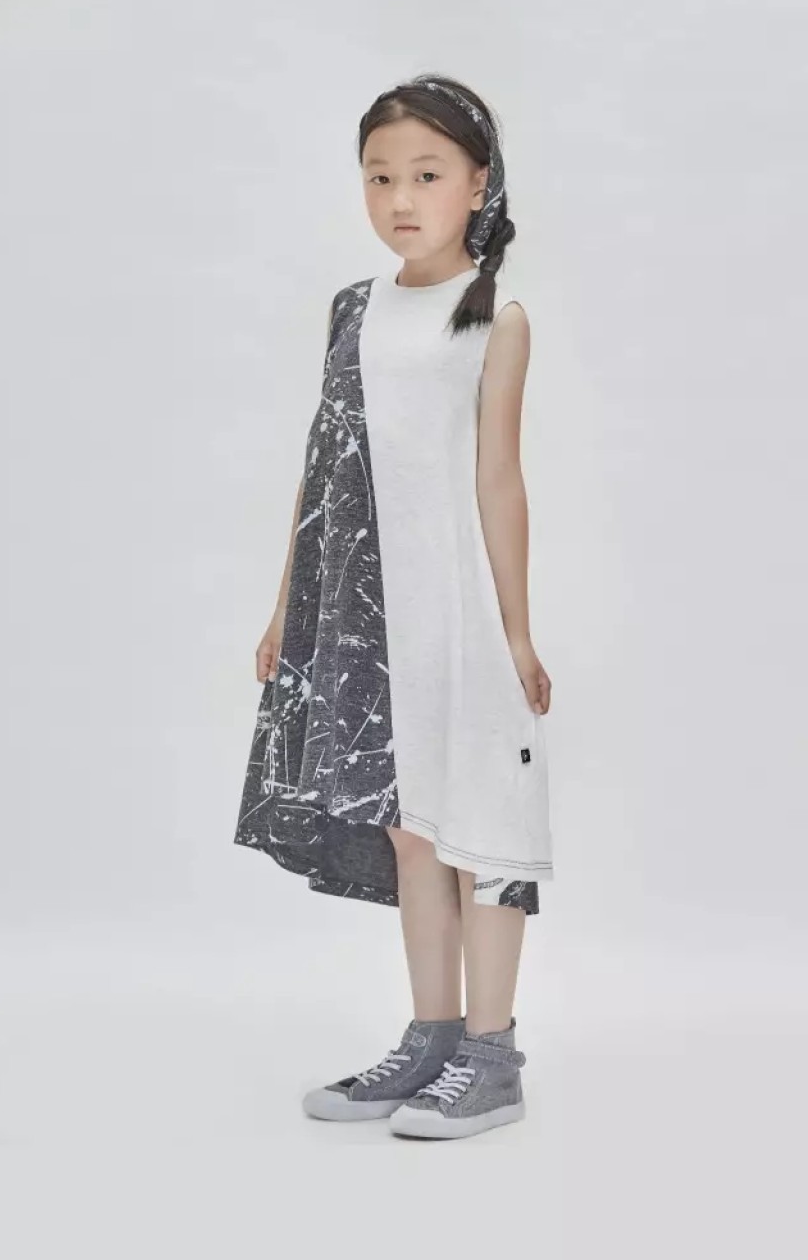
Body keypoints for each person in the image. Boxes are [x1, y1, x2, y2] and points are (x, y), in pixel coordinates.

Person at [234, 73, 554, 1140]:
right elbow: (322, 470)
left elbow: (498, 479)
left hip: (460, 609)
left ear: (478, 184)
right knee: (415, 834)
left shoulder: (495, 317)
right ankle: (431, 1035)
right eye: (380, 178)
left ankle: (492, 1059)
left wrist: (515, 630)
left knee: (485, 833)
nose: (401, 199)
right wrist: (288, 608)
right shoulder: (353, 310)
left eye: (426, 175)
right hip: (374, 623)